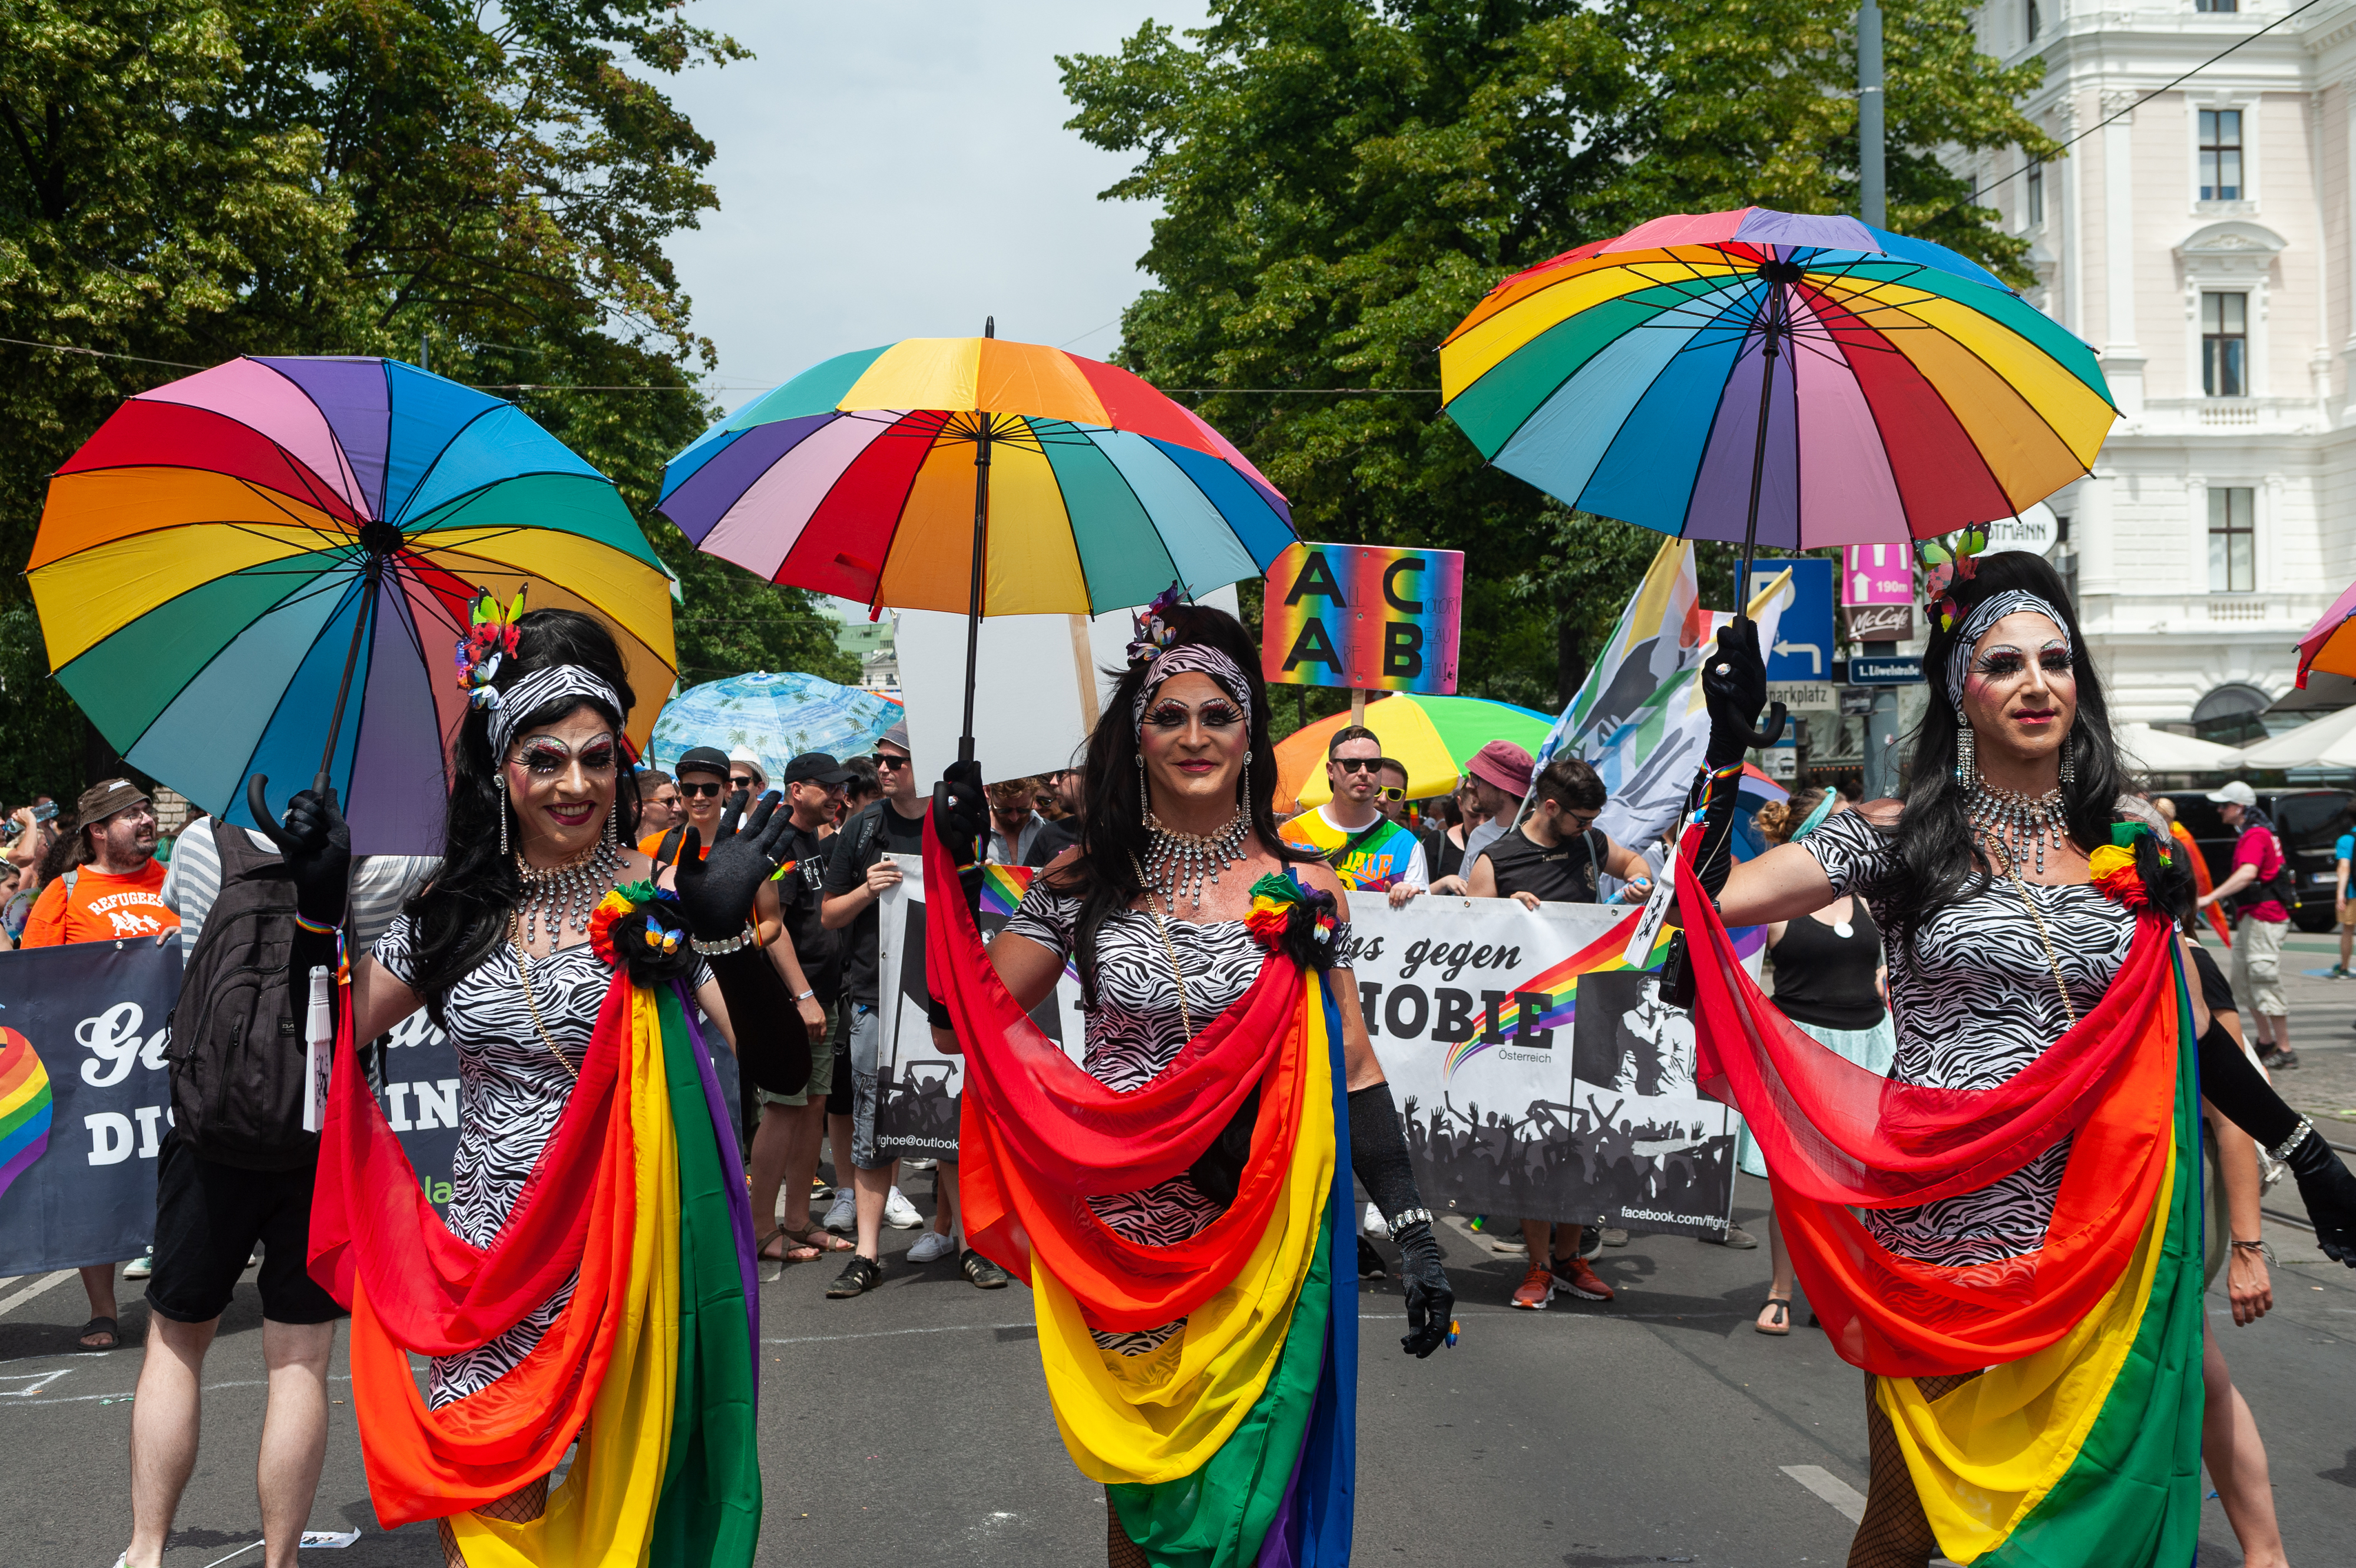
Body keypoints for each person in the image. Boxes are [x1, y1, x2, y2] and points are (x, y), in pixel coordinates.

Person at [1685, 549, 2353, 1568]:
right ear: (1961, 692)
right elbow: (1689, 920)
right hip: (1944, 1228)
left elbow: (2186, 1031)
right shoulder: (1893, 837)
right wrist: (1723, 766)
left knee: (2081, 1525)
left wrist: (2303, 1146)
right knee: (1909, 1526)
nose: (2035, 682)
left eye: (2055, 658)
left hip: (2101, 1226)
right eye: (2003, 664)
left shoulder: (2137, 846)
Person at [925, 596, 1454, 1568]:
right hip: (1125, 1242)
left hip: (1264, 1228)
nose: (1195, 735)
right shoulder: (1081, 880)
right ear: (1137, 737)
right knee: (1148, 1498)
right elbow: (968, 1025)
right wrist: (953, 881)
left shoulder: (1307, 885)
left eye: (1219, 714)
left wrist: (1413, 1229)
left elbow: (1359, 1060)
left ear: (1253, 736)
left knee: (1256, 1499)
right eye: (1169, 714)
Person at [266, 604, 777, 1567]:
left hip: (638, 1256)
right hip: (493, 1268)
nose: (574, 782)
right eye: (544, 757)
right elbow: (321, 1047)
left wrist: (728, 937)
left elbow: (776, 1062)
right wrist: (315, 916)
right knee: (496, 1532)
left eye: (595, 756)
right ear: (501, 769)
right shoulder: (451, 914)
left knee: (633, 1527)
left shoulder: (657, 894)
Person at [1463, 754, 1656, 1306]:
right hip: (1528, 1028)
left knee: (1586, 1143)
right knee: (1536, 1145)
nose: (1589, 830)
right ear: (1550, 807)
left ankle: (1570, 1259)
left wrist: (1640, 881)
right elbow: (1470, 943)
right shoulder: (1497, 860)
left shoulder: (1591, 845)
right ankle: (1538, 1265)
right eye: (1580, 819)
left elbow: (1633, 864)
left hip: (1591, 1015)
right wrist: (1507, 913)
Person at [819, 723, 988, 1294]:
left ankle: (968, 1242)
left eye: (898, 760)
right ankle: (867, 1254)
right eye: (880, 759)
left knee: (951, 1122)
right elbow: (829, 914)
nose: (885, 769)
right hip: (873, 997)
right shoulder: (863, 827)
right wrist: (867, 890)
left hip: (945, 1000)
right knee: (872, 1127)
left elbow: (983, 900)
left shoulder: (954, 822)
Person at [21, 778, 178, 1351]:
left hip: (172, 1064)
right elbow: (30, 983)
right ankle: (104, 1311)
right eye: (129, 813)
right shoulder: (64, 891)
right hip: (97, 1071)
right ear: (96, 831)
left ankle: (182, 1289)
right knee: (98, 1184)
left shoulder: (176, 883)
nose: (145, 819)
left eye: (145, 809)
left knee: (184, 1174)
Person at [1738, 786, 1894, 1337]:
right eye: (1850, 822)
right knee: (1796, 1182)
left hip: (1868, 1052)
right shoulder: (1778, 903)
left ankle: (1843, 1289)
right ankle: (1782, 1291)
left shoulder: (1871, 895)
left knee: (1858, 1181)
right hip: (1802, 1055)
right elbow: (1736, 968)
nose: (1864, 832)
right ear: (1821, 832)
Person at [745, 750, 858, 1268]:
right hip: (795, 999)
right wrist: (803, 997)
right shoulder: (780, 840)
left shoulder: (812, 837)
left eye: (840, 788)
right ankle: (762, 1228)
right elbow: (772, 928)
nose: (838, 795)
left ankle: (796, 1219)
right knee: (784, 1109)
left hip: (821, 994)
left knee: (812, 1107)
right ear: (797, 790)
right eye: (827, 787)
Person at [2198, 780, 2295, 1069]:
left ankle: (2286, 1049)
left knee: (2263, 977)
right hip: (2253, 915)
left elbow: (2248, 873)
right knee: (2244, 980)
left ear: (2240, 807)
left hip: (2265, 915)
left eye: (2224, 805)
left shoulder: (2255, 835)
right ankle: (2266, 1041)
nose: (2219, 810)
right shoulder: (2253, 832)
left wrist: (2210, 898)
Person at [1278, 726, 1429, 907]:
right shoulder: (1290, 833)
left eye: (1373, 765)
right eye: (1352, 763)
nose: (1364, 772)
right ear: (1331, 770)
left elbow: (1420, 923)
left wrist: (1411, 901)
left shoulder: (1406, 845)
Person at [984, 775, 1076, 866]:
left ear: (1034, 795)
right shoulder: (976, 834)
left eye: (1023, 809)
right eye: (1004, 810)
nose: (1014, 818)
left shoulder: (1048, 831)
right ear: (988, 791)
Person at [2334, 811, 2355, 980]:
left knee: (2347, 930)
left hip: (2352, 892)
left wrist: (2340, 893)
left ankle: (2344, 968)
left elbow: (2344, 868)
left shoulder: (2346, 840)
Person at [637, 769, 683, 836]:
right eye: (669, 801)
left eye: (678, 800)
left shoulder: (686, 845)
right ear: (639, 808)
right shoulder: (620, 846)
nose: (679, 809)